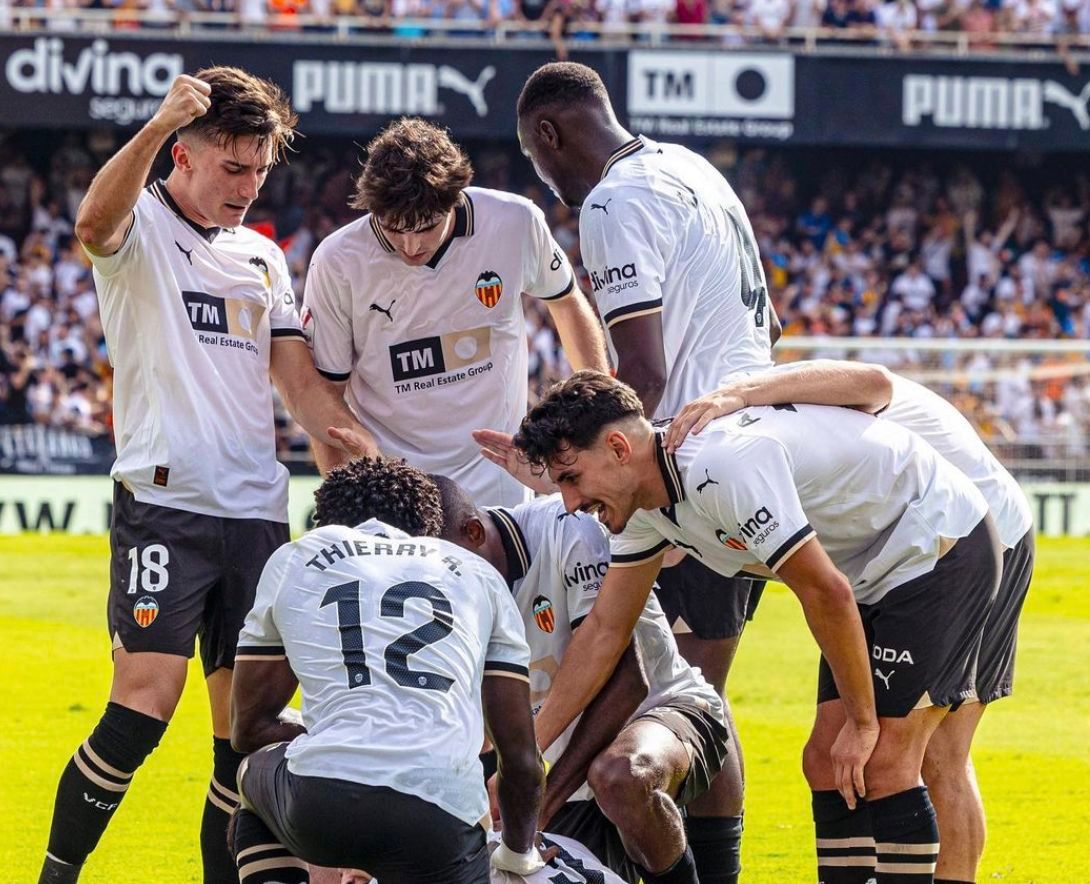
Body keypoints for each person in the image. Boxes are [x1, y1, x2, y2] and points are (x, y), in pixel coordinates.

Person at [38, 68, 375, 884]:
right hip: (165, 506)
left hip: (256, 516)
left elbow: (296, 381)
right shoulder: (142, 224)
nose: (249, 186)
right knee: (141, 708)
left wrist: (351, 453)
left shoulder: (263, 257)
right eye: (232, 167)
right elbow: (91, 222)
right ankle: (55, 875)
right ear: (181, 156)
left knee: (246, 732)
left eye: (260, 169)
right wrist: (154, 123)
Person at [511, 371, 1004, 884]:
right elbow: (605, 632)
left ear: (617, 447)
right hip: (869, 576)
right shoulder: (640, 507)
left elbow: (825, 592)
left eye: (571, 478)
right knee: (823, 762)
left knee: (882, 761)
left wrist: (862, 723)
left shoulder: (720, 466)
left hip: (938, 546)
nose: (568, 502)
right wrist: (528, 758)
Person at [495, 61, 782, 882]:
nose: (549, 188)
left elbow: (642, 379)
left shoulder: (614, 202)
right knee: (701, 701)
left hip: (677, 478)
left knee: (671, 702)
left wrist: (562, 462)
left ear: (548, 136)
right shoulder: (694, 169)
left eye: (535, 160)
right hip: (739, 456)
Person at [662, 359, 1035, 884]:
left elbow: (877, 382)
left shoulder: (754, 395)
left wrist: (737, 394)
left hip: (978, 535)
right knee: (826, 757)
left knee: (935, 755)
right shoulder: (732, 423)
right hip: (884, 558)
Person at [229, 457, 546, 884]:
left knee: (252, 772)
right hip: (442, 812)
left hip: (322, 803)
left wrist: (336, 738)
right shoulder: (477, 573)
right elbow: (522, 761)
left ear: (327, 521)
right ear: (430, 523)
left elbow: (247, 729)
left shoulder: (297, 558)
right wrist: (517, 856)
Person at [431, 476, 730, 884]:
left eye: (452, 566)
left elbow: (629, 681)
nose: (445, 583)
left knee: (619, 776)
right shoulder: (442, 594)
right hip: (565, 769)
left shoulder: (567, 525)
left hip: (664, 712)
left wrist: (538, 800)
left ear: (474, 532)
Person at [303, 117, 608, 506]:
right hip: (397, 493)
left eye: (426, 227)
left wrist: (597, 410)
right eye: (394, 229)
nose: (410, 245)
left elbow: (565, 301)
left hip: (500, 484)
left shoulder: (514, 221)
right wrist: (343, 501)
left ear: (457, 197)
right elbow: (325, 399)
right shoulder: (337, 260)